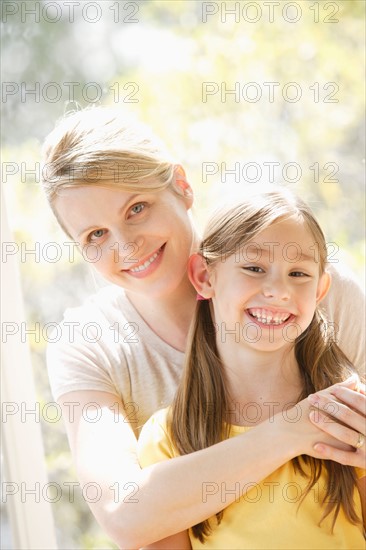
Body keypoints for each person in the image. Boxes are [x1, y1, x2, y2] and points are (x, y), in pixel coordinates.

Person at [42, 106, 365, 548]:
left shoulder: (315, 292)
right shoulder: (89, 345)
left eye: (137, 208)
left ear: (181, 184)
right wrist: (297, 428)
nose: (126, 244)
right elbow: (126, 515)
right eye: (95, 235)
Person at [137, 189, 366, 549]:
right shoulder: (168, 437)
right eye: (254, 268)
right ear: (204, 276)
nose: (277, 289)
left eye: (298, 273)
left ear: (321, 290)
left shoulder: (351, 415)